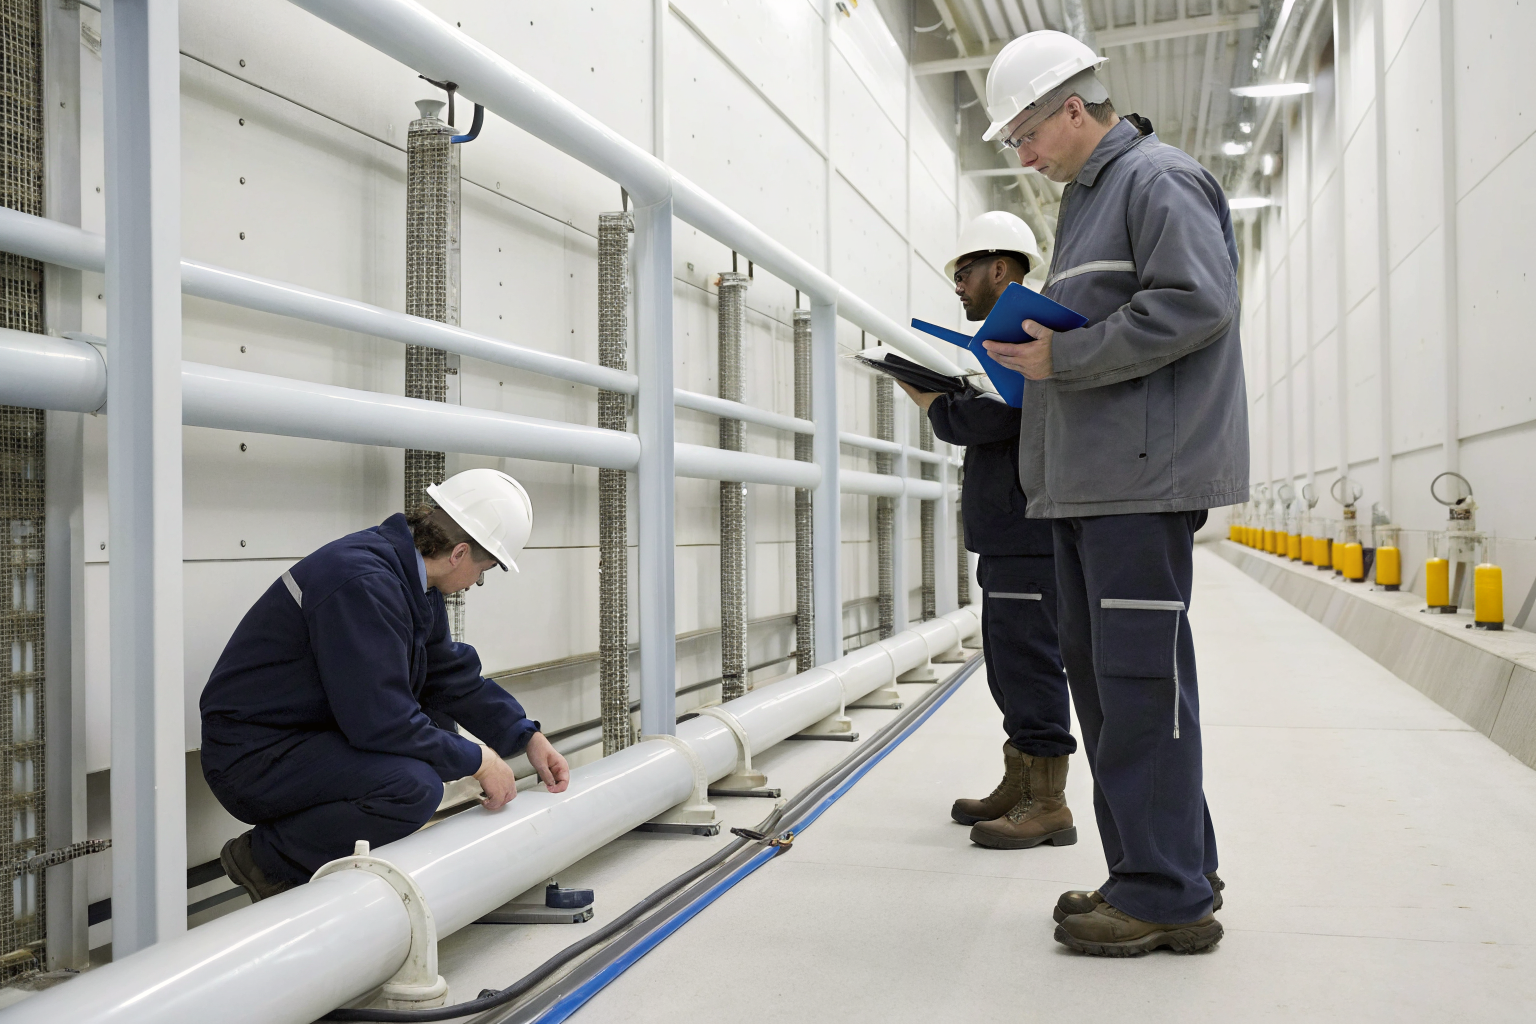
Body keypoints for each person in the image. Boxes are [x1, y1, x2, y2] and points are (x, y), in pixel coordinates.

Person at [978, 30, 1247, 956]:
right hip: (1093, 488)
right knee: (1112, 688)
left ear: (1073, 109)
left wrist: (1067, 353)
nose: (1023, 156)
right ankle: (1161, 867)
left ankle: (1165, 894)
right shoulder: (1092, 201)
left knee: (1137, 688)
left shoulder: (1156, 180)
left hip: (1139, 483)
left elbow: (1195, 303)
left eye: (1025, 136)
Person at [201, 468, 571, 902]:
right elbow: (381, 721)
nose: (476, 583)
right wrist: (480, 760)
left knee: (434, 742)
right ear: (459, 553)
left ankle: (328, 869)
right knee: (412, 785)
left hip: (302, 737)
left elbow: (447, 674)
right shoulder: (363, 583)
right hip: (253, 756)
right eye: (483, 570)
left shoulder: (411, 582)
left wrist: (526, 736)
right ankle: (266, 861)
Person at [897, 211, 1076, 852]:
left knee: (1030, 665)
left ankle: (1047, 802)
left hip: (1030, 537)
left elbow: (991, 421)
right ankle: (1021, 782)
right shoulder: (1009, 342)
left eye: (966, 272)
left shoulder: (1032, 335)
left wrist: (931, 399)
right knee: (1007, 664)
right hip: (1009, 538)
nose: (959, 286)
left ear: (1001, 268)